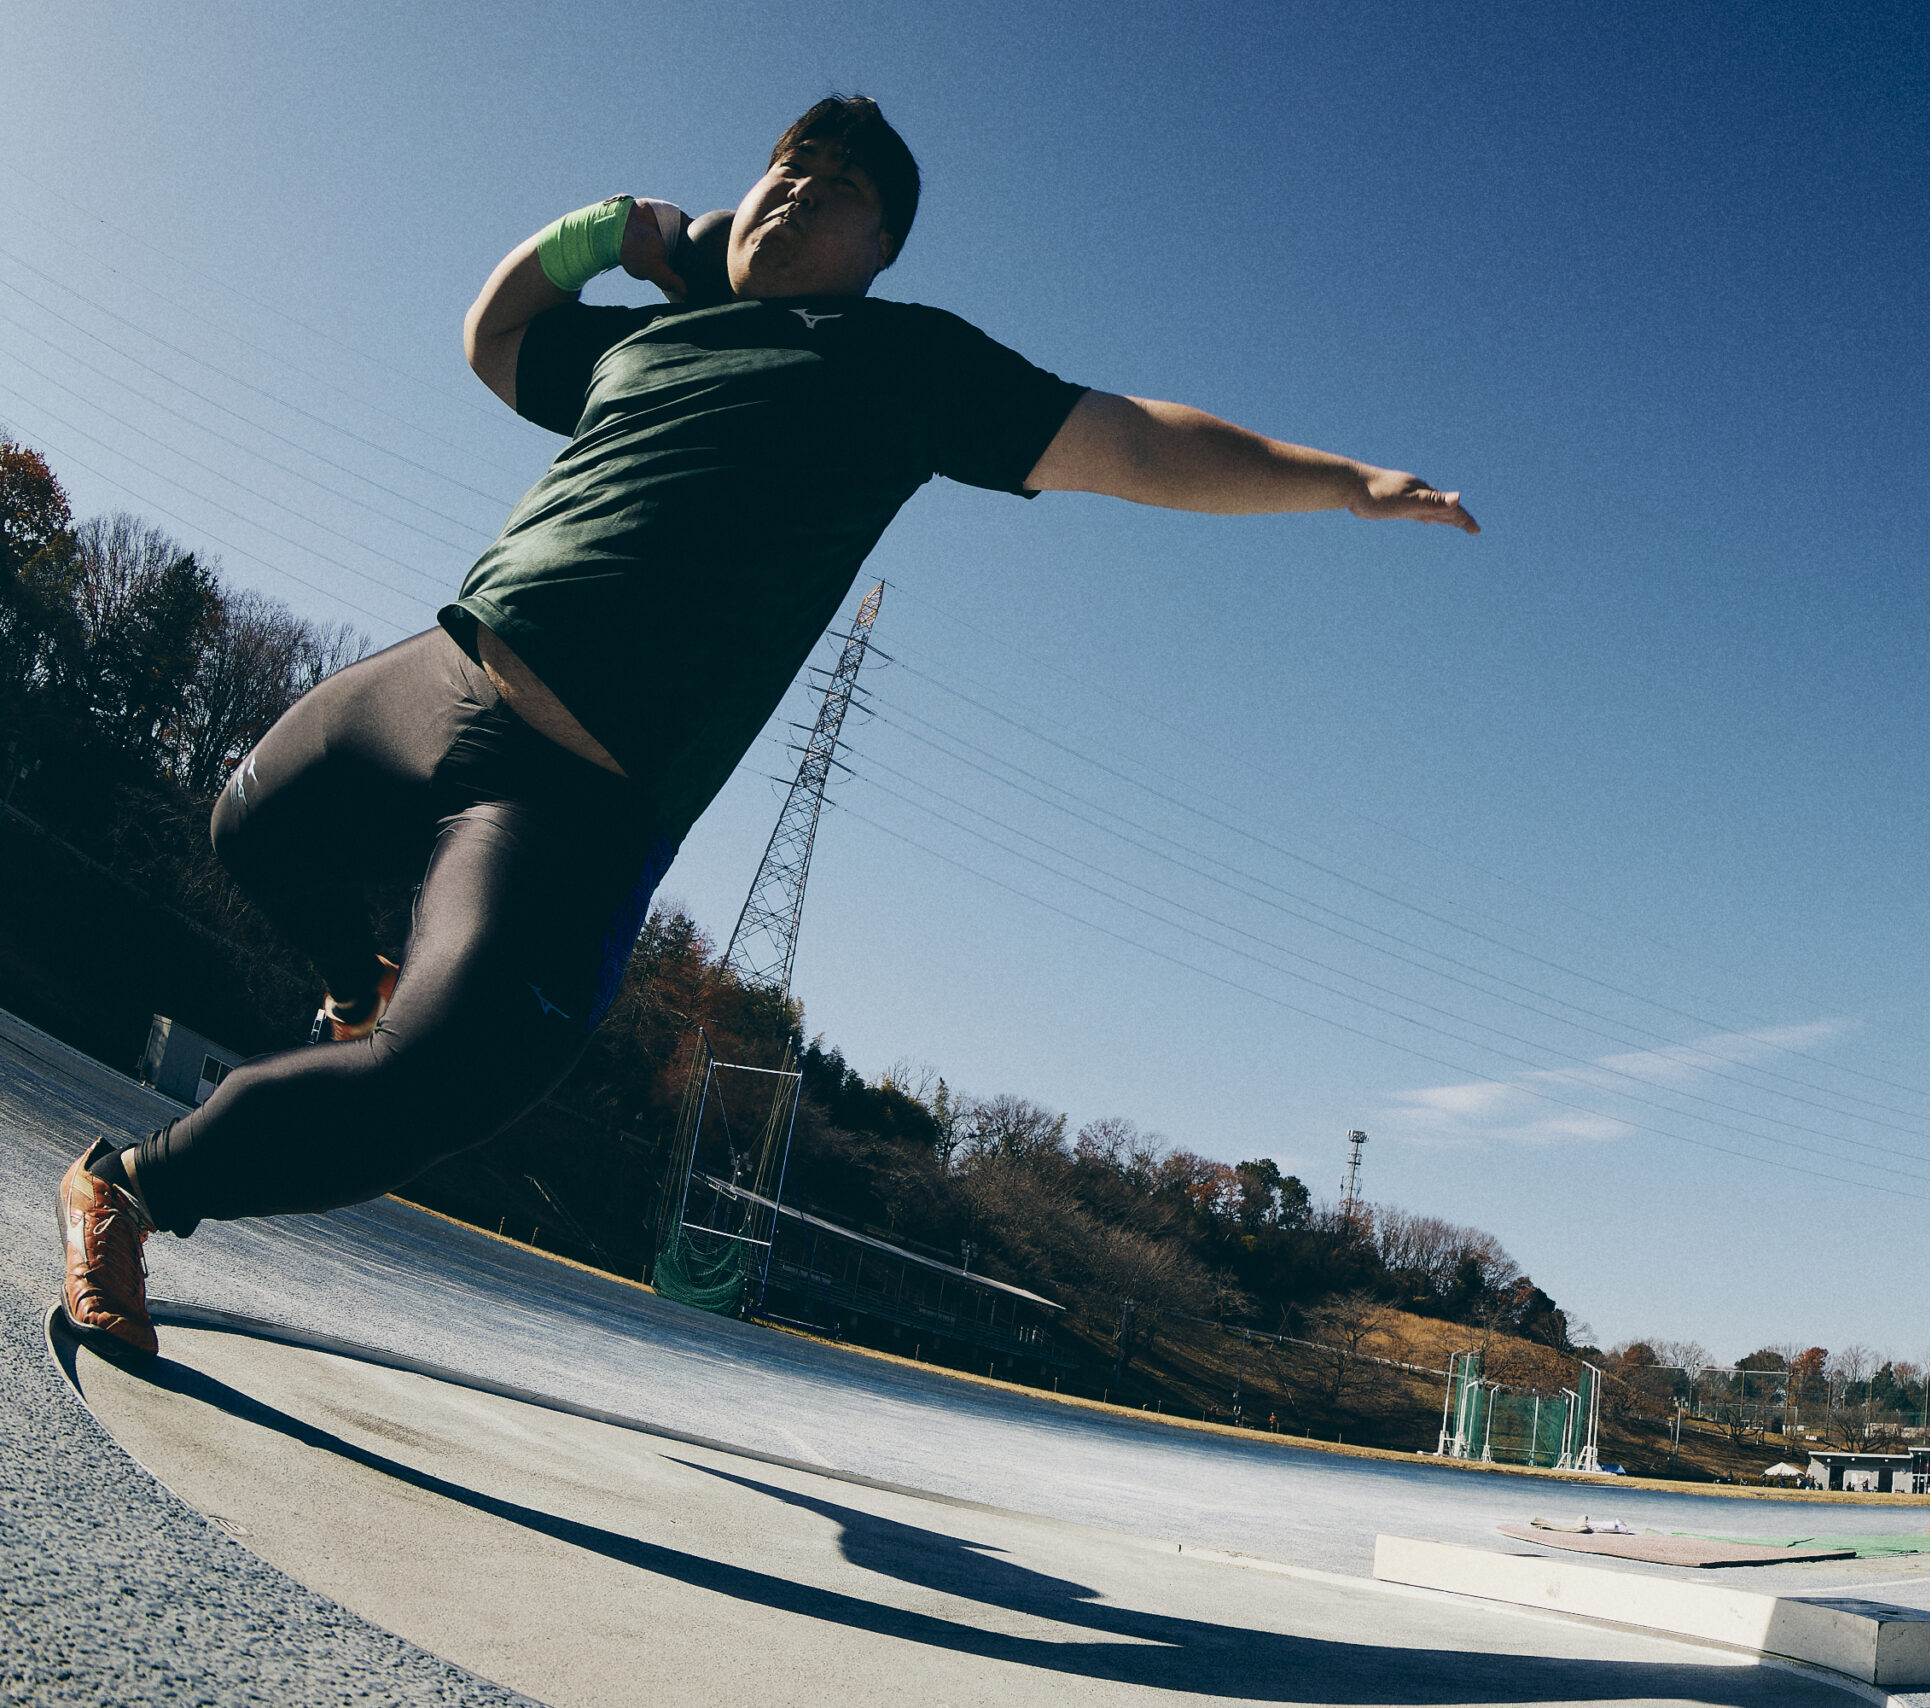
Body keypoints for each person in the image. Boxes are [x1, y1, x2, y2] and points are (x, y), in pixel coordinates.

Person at [57, 95, 1477, 1357]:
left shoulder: (897, 365)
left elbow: (1132, 439)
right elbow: (496, 341)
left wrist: (1343, 480)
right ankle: (351, 978)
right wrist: (605, 233)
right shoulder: (655, 339)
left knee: (437, 1081)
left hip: (575, 800)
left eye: (839, 185)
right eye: (788, 166)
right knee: (249, 828)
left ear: (881, 251)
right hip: (442, 678)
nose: (797, 189)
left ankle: (132, 1188)